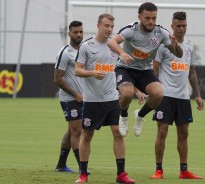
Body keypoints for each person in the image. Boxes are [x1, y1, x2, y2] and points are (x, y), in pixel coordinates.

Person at [74, 14, 135, 184]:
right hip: (92, 101)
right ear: (98, 25)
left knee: (118, 133)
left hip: (112, 99)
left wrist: (136, 90)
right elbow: (77, 70)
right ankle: (83, 174)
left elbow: (123, 71)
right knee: (87, 135)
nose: (109, 29)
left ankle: (121, 174)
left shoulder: (115, 47)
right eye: (106, 26)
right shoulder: (87, 46)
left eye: (111, 26)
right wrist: (92, 72)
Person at [107, 2, 183, 137]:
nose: (151, 21)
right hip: (126, 68)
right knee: (127, 94)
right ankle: (123, 116)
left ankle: (140, 116)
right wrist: (122, 53)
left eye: (154, 18)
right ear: (139, 17)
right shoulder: (131, 30)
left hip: (144, 70)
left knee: (158, 94)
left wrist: (175, 45)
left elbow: (179, 54)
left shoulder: (161, 32)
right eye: (147, 18)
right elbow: (111, 42)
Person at [151, 12, 204, 179]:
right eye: (178, 26)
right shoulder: (163, 46)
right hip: (165, 96)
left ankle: (184, 170)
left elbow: (192, 72)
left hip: (183, 97)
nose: (182, 29)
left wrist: (197, 95)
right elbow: (154, 69)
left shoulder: (188, 45)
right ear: (172, 26)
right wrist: (154, 89)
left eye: (184, 26)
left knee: (183, 134)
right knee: (162, 131)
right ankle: (159, 169)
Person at [54, 20, 83, 173]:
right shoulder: (65, 52)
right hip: (69, 98)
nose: (78, 34)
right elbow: (57, 79)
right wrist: (76, 94)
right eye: (75, 32)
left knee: (72, 132)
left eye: (81, 32)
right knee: (77, 131)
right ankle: (82, 167)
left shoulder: (84, 50)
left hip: (82, 97)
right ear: (69, 33)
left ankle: (61, 165)